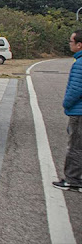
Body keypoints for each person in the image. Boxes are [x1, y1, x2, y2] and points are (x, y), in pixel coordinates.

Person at [53, 30, 82, 192]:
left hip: (78, 112)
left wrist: (66, 103)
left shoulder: (79, 64)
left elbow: (76, 89)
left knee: (75, 146)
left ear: (79, 44)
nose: (69, 44)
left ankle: (72, 179)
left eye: (71, 41)